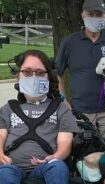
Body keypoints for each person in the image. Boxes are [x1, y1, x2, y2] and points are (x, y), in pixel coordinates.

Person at [0, 50, 79, 184]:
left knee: (58, 166)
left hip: (46, 166)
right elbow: (1, 136)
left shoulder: (61, 109)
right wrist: (1, 155)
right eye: (27, 72)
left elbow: (65, 143)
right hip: (12, 167)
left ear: (48, 77)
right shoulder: (8, 108)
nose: (34, 77)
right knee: (4, 172)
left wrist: (55, 157)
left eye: (40, 72)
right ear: (19, 75)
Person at [55, 0, 105, 138]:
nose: (95, 18)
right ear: (82, 15)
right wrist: (63, 99)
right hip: (80, 110)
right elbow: (56, 73)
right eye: (91, 14)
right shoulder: (70, 42)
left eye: (99, 14)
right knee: (82, 151)